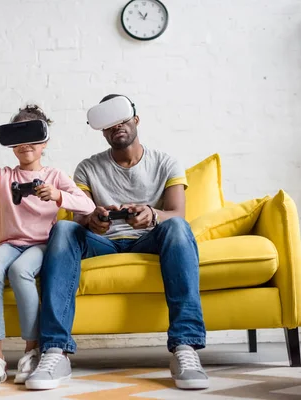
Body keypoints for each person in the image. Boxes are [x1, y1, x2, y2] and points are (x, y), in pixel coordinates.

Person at [25, 94, 208, 391]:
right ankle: (55, 351)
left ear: (136, 119)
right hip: (103, 242)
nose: (116, 126)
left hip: (150, 239)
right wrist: (93, 218)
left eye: (122, 118)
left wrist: (151, 215)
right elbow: (81, 215)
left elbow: (177, 214)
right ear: (101, 130)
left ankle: (185, 348)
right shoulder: (87, 168)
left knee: (176, 226)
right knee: (63, 229)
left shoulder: (166, 163)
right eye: (108, 123)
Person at [0, 104, 96, 387]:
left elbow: (88, 204)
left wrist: (58, 196)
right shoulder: (5, 176)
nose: (25, 145)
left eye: (33, 137)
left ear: (44, 143)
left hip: (41, 245)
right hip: (8, 243)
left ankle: (32, 351)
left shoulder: (55, 176)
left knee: (20, 271)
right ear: (11, 145)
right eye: (18, 139)